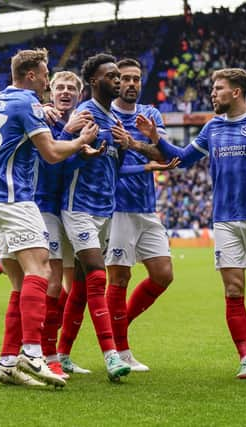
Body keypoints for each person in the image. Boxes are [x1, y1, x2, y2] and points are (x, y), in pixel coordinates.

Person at [133, 68, 246, 379]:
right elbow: (183, 158)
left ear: (237, 92)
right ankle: (245, 357)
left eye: (218, 88)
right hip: (225, 219)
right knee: (233, 290)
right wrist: (155, 139)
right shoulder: (213, 127)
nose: (212, 94)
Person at [0, 48, 98, 388]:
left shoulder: (1, 98)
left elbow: (23, 125)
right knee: (41, 270)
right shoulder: (27, 102)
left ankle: (7, 361)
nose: (47, 80)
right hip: (14, 196)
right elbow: (52, 153)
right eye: (45, 74)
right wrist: (80, 141)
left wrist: (43, 114)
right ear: (31, 75)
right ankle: (32, 353)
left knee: (19, 283)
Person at [56, 53, 132, 382]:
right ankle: (111, 355)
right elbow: (64, 159)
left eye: (119, 75)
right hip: (78, 207)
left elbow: (114, 166)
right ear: (94, 82)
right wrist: (80, 149)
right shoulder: (85, 115)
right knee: (98, 277)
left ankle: (63, 353)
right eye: (111, 76)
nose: (118, 80)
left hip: (104, 210)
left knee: (83, 286)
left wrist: (127, 147)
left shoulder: (114, 119)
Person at [105, 58, 180, 371]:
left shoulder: (150, 114)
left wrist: (137, 142)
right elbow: (111, 166)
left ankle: (115, 325)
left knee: (163, 274)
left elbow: (165, 154)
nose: (132, 83)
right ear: (115, 81)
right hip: (117, 208)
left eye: (136, 78)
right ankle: (121, 351)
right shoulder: (106, 115)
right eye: (125, 78)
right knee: (119, 278)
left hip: (147, 208)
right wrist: (145, 155)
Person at [34, 70, 99, 378]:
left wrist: (84, 153)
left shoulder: (80, 124)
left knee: (76, 288)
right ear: (50, 92)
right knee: (53, 283)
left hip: (69, 210)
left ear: (79, 94)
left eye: (71, 87)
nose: (65, 91)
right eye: (59, 86)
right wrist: (67, 133)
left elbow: (67, 167)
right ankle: (45, 354)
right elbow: (49, 164)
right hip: (44, 205)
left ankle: (59, 352)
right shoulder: (43, 119)